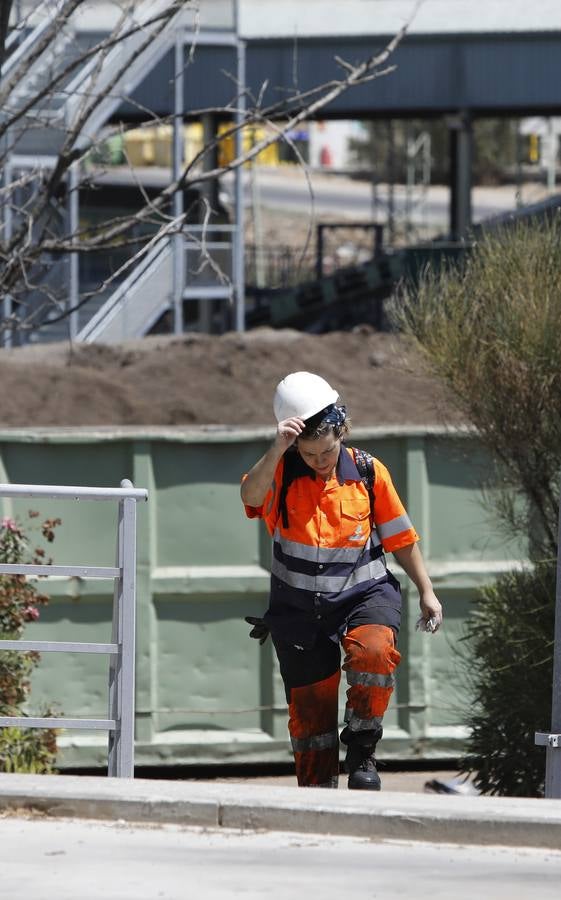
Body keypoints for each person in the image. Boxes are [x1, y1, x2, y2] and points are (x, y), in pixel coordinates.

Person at [241, 371, 442, 790]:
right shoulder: (280, 474)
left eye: (327, 451)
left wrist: (427, 590)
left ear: (342, 432)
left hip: (364, 594)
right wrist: (277, 449)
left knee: (374, 653)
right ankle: (319, 795)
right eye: (309, 453)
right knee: (310, 718)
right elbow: (250, 497)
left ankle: (363, 748)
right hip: (299, 611)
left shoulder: (368, 472)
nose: (319, 461)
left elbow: (401, 538)